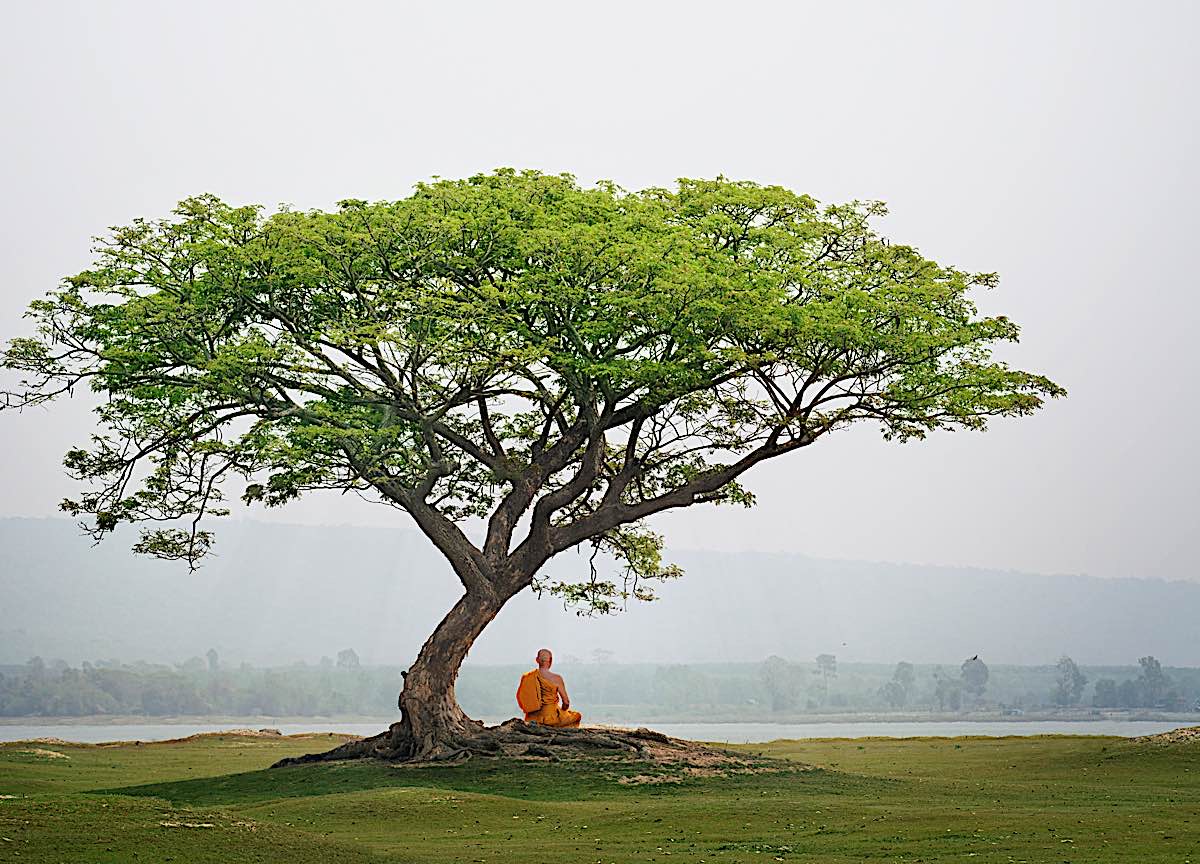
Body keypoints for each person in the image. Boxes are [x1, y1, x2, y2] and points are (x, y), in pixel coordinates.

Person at [519, 648, 581, 728]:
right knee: (576, 716)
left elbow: (523, 698)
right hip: (551, 719)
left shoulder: (527, 677)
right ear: (551, 660)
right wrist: (563, 711)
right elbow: (566, 702)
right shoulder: (556, 678)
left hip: (532, 718)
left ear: (537, 660)